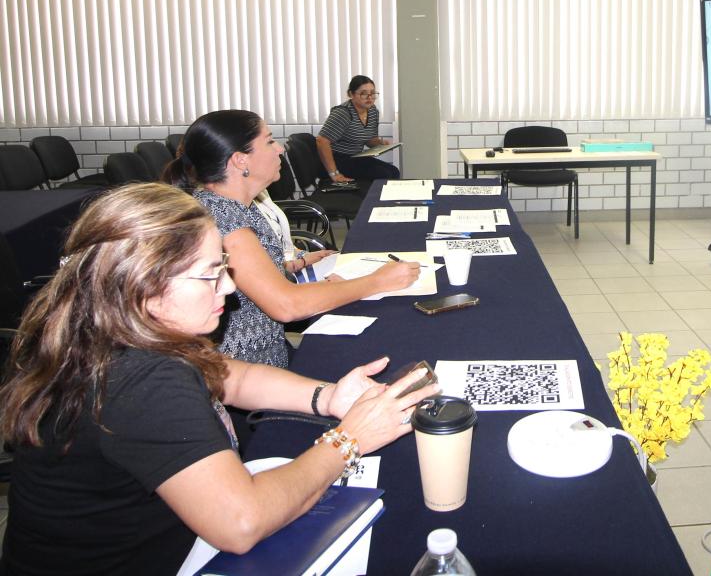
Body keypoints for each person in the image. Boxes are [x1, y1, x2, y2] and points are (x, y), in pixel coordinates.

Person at [0, 182, 438, 574]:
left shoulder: (115, 324)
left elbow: (232, 377)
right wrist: (349, 439)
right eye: (211, 273)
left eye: (223, 265)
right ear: (143, 285)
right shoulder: (139, 377)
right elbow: (242, 522)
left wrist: (327, 396)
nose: (229, 287)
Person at [163, 110, 419, 368]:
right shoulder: (224, 220)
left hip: (268, 354)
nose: (280, 148)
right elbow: (286, 305)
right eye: (269, 141)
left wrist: (297, 265)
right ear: (241, 160)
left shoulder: (235, 206)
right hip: (252, 368)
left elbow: (255, 276)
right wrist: (378, 281)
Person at [316, 75, 400, 190]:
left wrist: (381, 143)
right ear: (351, 94)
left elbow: (369, 140)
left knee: (394, 172)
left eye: (373, 93)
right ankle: (373, 200)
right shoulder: (343, 113)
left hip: (355, 157)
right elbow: (321, 141)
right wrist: (334, 174)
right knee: (384, 174)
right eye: (364, 93)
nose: (370, 98)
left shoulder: (373, 111)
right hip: (337, 159)